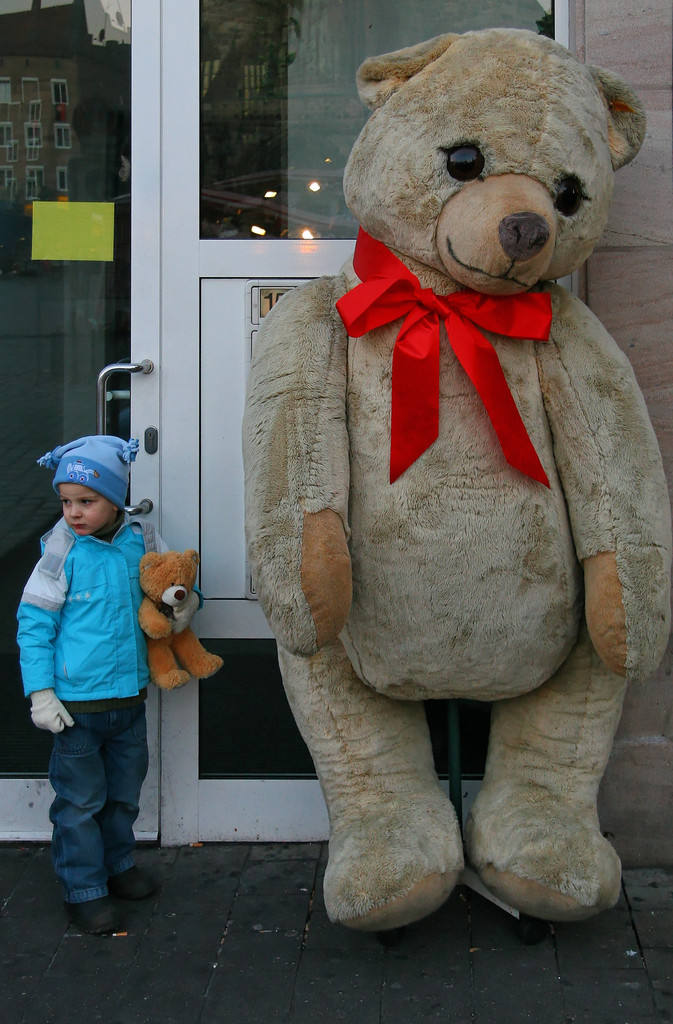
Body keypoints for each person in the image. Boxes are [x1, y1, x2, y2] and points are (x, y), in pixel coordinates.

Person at [16, 435, 198, 936]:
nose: (74, 512)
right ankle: (83, 888)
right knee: (79, 803)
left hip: (129, 700)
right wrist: (41, 692)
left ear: (116, 500)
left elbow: (173, 583)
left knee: (123, 794)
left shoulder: (142, 540)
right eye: (66, 502)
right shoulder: (61, 550)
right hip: (76, 709)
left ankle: (118, 864)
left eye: (87, 501)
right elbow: (34, 623)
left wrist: (186, 605)